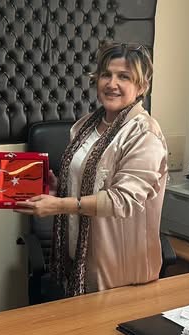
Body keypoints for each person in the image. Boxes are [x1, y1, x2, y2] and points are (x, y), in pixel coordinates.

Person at [15, 42, 168, 295]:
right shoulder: (84, 127)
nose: (111, 84)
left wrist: (61, 205)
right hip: (78, 262)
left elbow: (123, 200)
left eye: (124, 77)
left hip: (120, 271)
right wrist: (59, 189)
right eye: (106, 74)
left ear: (142, 86)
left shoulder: (144, 133)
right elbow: (87, 182)